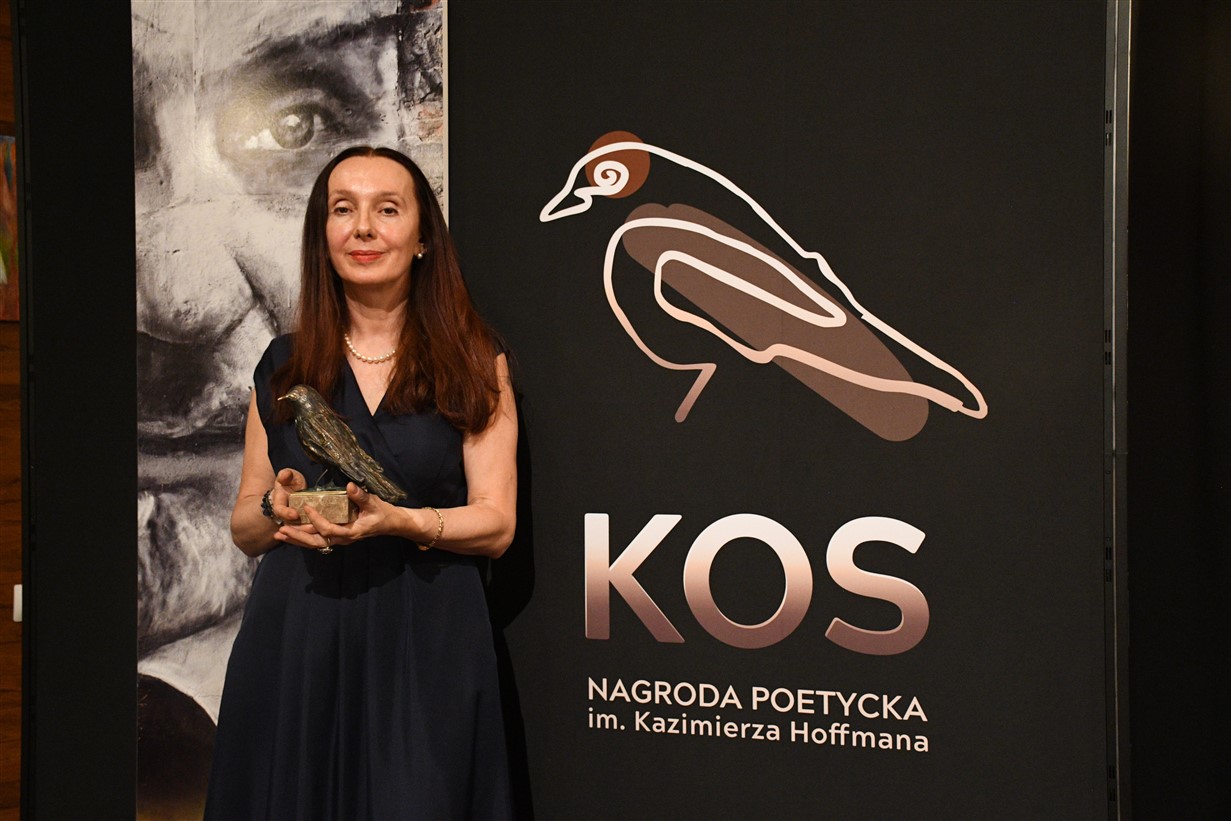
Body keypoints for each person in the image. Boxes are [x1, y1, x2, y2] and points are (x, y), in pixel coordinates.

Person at [204, 145, 516, 819]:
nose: (363, 228)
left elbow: (496, 523)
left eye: (387, 209)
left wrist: (403, 521)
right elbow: (246, 525)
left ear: (423, 237)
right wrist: (277, 507)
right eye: (342, 210)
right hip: (299, 637)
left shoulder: (472, 358)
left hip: (428, 637)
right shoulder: (283, 365)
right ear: (322, 235)